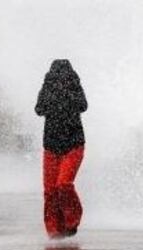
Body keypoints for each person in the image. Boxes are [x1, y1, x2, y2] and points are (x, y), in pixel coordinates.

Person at [36, 59, 88, 238]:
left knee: (63, 184)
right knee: (50, 191)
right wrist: (54, 94)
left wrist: (65, 93)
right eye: (56, 76)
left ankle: (71, 221)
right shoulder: (47, 88)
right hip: (51, 146)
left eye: (64, 76)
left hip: (74, 145)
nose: (60, 79)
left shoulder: (74, 88)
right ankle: (54, 231)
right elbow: (39, 109)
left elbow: (83, 106)